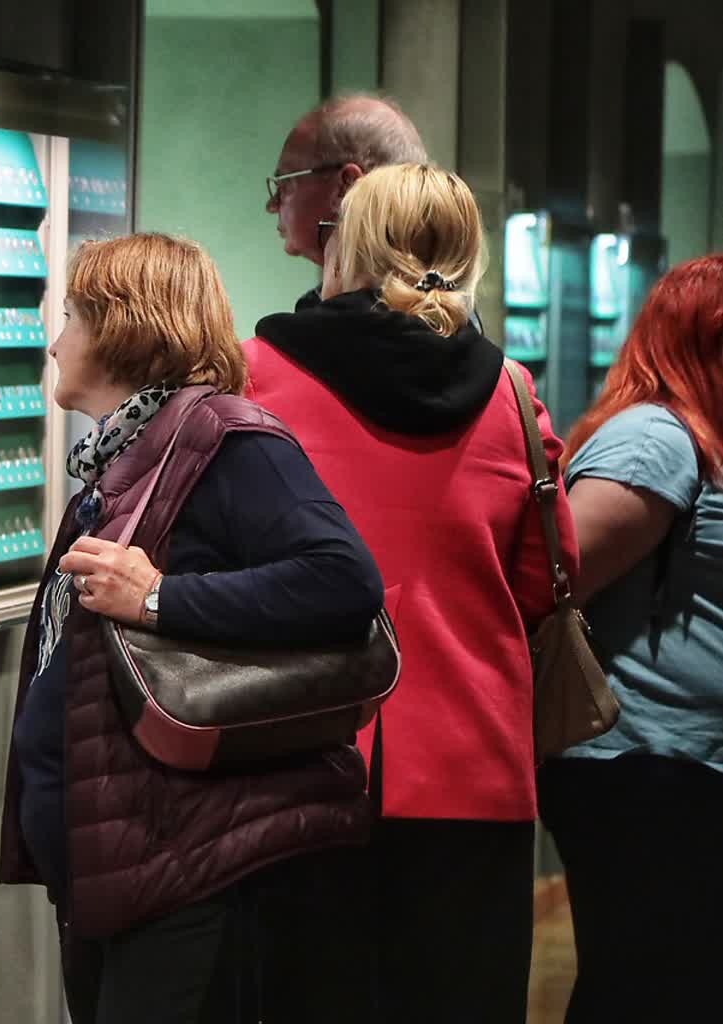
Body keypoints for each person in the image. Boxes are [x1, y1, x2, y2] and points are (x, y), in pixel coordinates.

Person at [0, 232, 386, 1023]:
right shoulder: (129, 456)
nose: (54, 342)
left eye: (71, 317)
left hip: (189, 862)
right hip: (127, 860)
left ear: (123, 327)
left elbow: (343, 581)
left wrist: (158, 599)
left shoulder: (224, 437)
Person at [243, 163, 579, 1023]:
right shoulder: (512, 395)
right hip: (474, 765)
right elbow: (545, 579)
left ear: (345, 244)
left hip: (295, 756)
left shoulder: (258, 375)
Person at [536, 254, 723, 1024]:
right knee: (646, 987)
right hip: (642, 766)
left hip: (682, 768)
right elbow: (554, 583)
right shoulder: (655, 439)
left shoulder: (699, 439)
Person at [266, 94, 428, 291]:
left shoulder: (352, 308)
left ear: (348, 185)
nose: (271, 205)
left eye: (285, 183)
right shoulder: (443, 300)